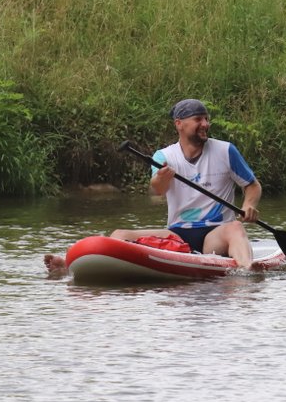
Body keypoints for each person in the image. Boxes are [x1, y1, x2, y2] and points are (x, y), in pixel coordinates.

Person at [44, 98, 262, 276]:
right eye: (198, 119)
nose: (205, 124)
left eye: (206, 119)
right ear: (179, 123)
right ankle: (69, 264)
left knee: (236, 227)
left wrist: (249, 205)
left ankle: (247, 269)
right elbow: (157, 190)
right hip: (178, 233)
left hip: (216, 232)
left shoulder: (226, 151)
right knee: (119, 233)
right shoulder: (163, 156)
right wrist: (162, 178)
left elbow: (252, 185)